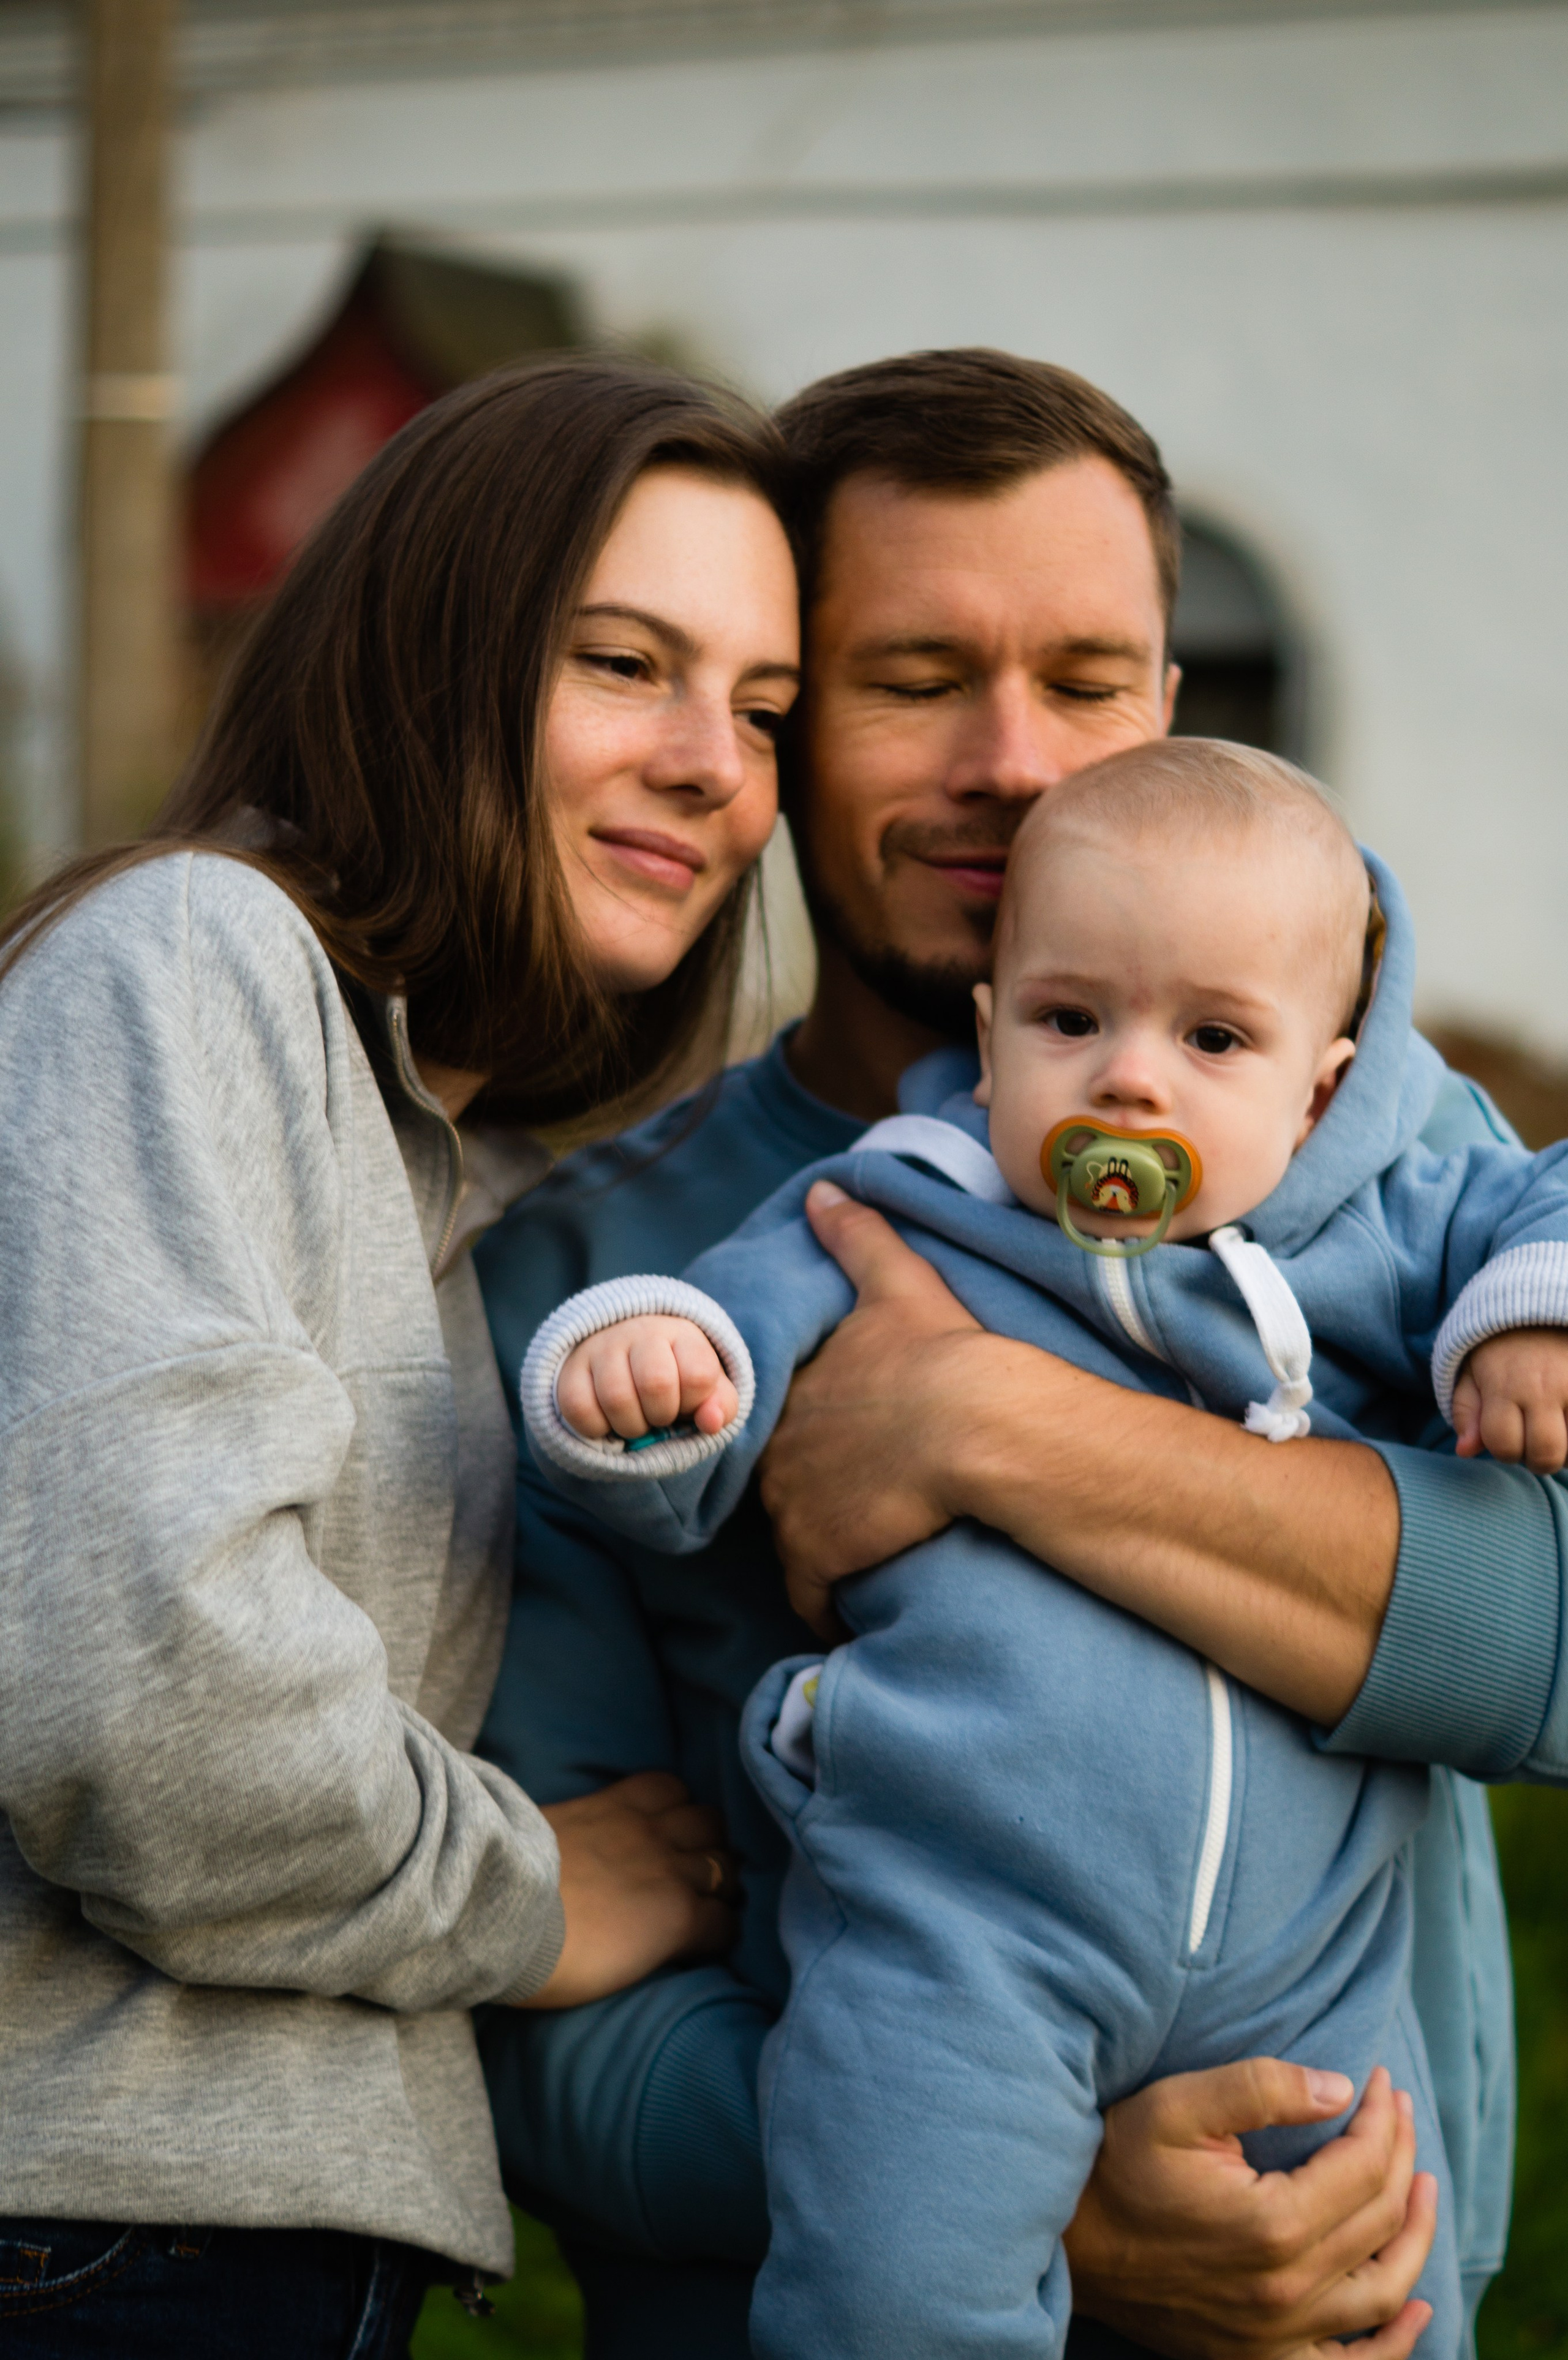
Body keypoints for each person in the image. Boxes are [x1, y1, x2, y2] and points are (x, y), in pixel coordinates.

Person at [474, 353, 1475, 2356]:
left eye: (1090, 677)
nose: (1018, 765)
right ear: (777, 730)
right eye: (915, 678)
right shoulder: (598, 1276)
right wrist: (1035, 2193)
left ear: (1171, 703)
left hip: (1355, 2280)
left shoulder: (1379, 1151)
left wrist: (979, 1424)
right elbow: (522, 2020)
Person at [0, 355, 803, 2356]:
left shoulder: (452, 1169)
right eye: (626, 661)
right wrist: (533, 1894)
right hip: (96, 2233)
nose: (718, 761)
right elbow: (156, 1716)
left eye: (767, 709)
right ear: (432, 659)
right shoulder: (193, 956)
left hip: (220, 2245)